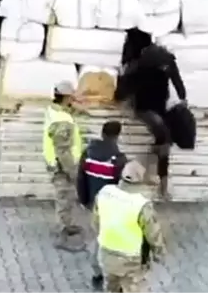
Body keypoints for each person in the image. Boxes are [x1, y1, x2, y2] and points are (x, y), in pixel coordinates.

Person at [115, 37, 187, 199]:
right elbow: (179, 87)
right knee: (165, 139)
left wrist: (121, 78)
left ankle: (157, 170)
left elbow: (120, 94)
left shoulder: (138, 67)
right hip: (154, 107)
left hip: (146, 108)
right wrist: (181, 99)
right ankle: (163, 185)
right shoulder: (166, 61)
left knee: (164, 138)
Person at [92, 161, 166, 292]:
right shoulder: (142, 204)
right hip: (130, 259)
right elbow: (153, 233)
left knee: (110, 287)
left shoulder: (104, 192)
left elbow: (96, 221)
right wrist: (159, 253)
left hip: (106, 254)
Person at [76, 120, 128, 290]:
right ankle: (108, 273)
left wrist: (84, 200)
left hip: (93, 203)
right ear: (117, 136)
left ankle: (97, 271)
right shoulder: (118, 160)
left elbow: (81, 178)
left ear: (102, 133)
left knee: (98, 236)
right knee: (110, 240)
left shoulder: (88, 153)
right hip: (111, 205)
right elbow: (122, 187)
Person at [43, 80, 87, 252]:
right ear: (67, 97)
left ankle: (67, 225)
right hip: (62, 167)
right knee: (64, 199)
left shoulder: (53, 111)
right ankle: (62, 236)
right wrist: (73, 172)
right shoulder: (62, 121)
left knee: (65, 199)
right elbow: (63, 151)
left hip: (55, 163)